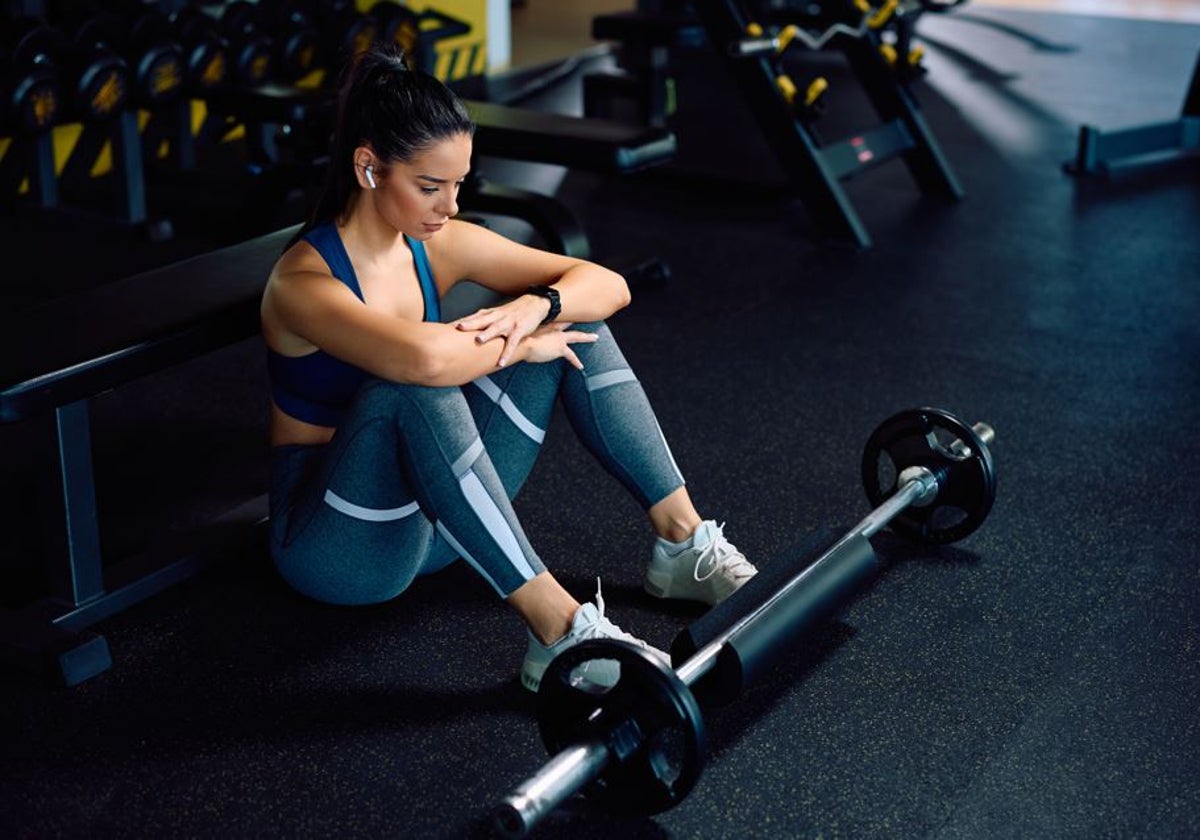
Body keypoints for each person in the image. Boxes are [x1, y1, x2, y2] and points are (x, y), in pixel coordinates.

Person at [260, 45, 757, 692]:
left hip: (433, 526)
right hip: (339, 549)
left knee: (574, 322)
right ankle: (558, 631)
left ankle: (682, 543)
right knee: (414, 387)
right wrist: (520, 345)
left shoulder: (433, 243)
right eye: (430, 187)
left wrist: (536, 306)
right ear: (369, 168)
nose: (449, 206)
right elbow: (424, 359)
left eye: (458, 185)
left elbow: (606, 286)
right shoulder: (302, 282)